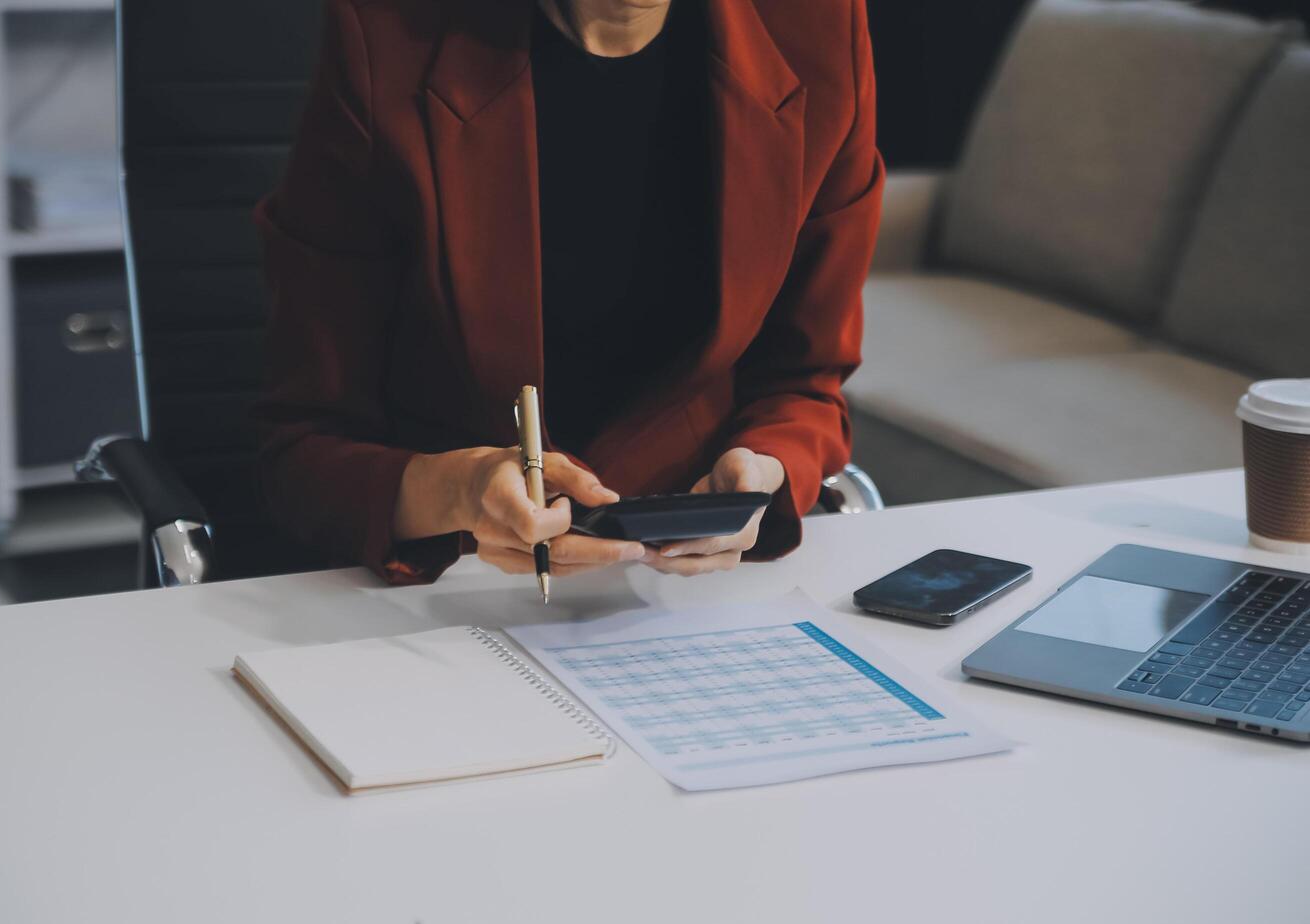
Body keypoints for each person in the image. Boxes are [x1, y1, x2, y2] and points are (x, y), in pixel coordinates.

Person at [255, 0, 883, 585]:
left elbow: (804, 381)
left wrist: (765, 467)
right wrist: (454, 492)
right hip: (454, 582)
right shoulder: (388, 37)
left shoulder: (816, 28)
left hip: (693, 586)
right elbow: (301, 448)